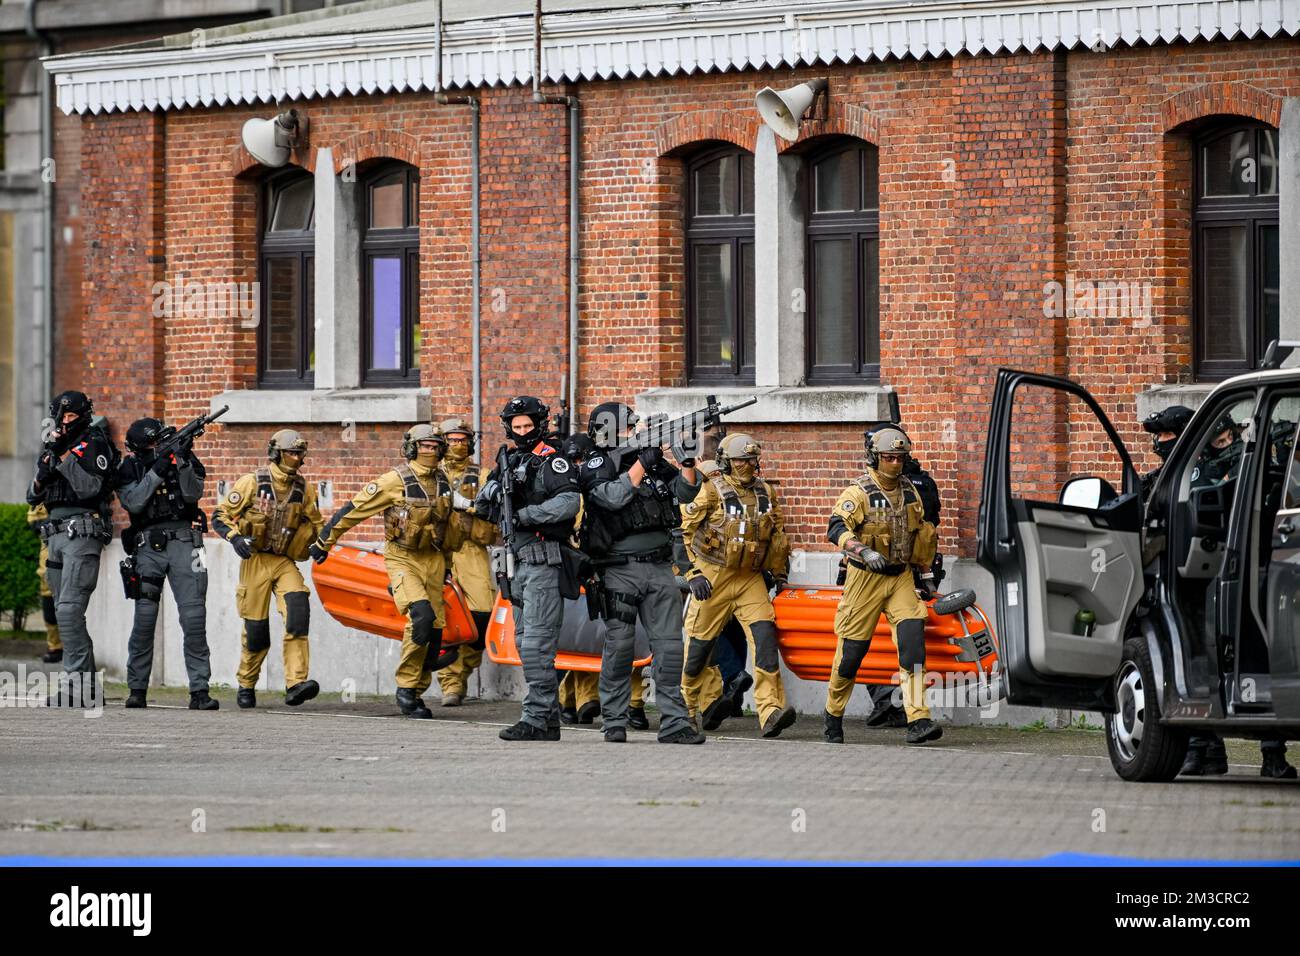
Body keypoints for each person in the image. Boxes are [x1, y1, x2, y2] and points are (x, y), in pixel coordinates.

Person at [579, 401, 704, 744]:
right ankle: (614, 719)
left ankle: (675, 722)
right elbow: (611, 497)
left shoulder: (650, 461)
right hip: (619, 570)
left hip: (660, 566)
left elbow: (686, 492)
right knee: (620, 646)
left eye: (636, 427)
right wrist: (640, 464)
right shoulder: (598, 463)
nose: (634, 433)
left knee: (669, 647)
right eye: (627, 428)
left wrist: (688, 461)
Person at [313, 424, 456, 719]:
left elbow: (448, 527)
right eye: (425, 446)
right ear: (412, 448)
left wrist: (448, 566)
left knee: (435, 632)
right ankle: (406, 688)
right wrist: (325, 541)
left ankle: (417, 689)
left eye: (434, 446)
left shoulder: (444, 481)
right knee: (421, 618)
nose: (430, 451)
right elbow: (354, 509)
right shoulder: (394, 481)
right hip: (402, 558)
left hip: (434, 560)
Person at [823, 427, 941, 745]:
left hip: (900, 577)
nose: (895, 463)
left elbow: (920, 535)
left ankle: (918, 719)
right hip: (864, 578)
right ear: (875, 457)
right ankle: (833, 714)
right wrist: (862, 550)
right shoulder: (858, 492)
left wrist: (926, 577)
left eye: (900, 457)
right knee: (851, 654)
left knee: (913, 642)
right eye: (889, 457)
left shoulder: (910, 492)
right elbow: (836, 528)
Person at [477, 396, 582, 741]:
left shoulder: (552, 461)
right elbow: (482, 504)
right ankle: (549, 720)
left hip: (543, 559)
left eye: (528, 426)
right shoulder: (507, 460)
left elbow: (569, 503)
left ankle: (535, 718)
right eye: (517, 427)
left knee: (538, 644)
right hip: (515, 562)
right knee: (524, 642)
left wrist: (525, 515)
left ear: (540, 424)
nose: (523, 432)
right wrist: (493, 491)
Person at [679, 433, 795, 737]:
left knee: (765, 640)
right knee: (699, 648)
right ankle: (688, 709)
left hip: (749, 578)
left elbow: (778, 536)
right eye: (739, 460)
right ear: (726, 462)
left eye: (750, 459)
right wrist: (693, 573)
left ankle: (770, 710)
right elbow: (682, 531)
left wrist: (779, 574)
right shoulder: (710, 490)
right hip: (712, 575)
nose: (746, 465)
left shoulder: (766, 492)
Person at [212, 429, 323, 709]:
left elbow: (317, 523)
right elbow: (220, 515)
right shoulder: (252, 482)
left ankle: (296, 683)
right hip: (256, 560)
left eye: (300, 453)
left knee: (298, 612)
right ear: (276, 453)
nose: (296, 458)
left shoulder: (304, 490)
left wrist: (323, 545)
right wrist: (235, 538)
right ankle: (247, 683)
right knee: (256, 629)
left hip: (285, 560)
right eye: (291, 453)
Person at [116, 416, 216, 710]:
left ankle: (200, 691)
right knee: (144, 620)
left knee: (194, 619)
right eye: (154, 442)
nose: (159, 445)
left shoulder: (184, 457)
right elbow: (133, 502)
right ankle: (137, 688)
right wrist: (158, 470)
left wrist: (181, 460)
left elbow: (193, 493)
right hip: (148, 547)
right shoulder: (129, 467)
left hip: (186, 542)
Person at [27, 391, 117, 706]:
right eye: (60, 418)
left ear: (79, 416)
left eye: (68, 418)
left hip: (82, 532)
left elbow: (90, 487)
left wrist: (63, 459)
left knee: (68, 611)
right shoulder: (54, 445)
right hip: (54, 537)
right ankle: (88, 689)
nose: (63, 424)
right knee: (62, 611)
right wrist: (45, 465)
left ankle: (76, 688)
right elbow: (32, 495)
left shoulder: (94, 443)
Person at [435, 416, 499, 708]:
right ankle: (451, 683)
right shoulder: (429, 474)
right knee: (442, 618)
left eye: (462, 439)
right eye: (452, 439)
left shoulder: (483, 475)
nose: (458, 445)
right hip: (437, 551)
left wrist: (471, 509)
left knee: (482, 616)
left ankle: (462, 671)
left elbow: (494, 514)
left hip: (472, 550)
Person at [25, 506, 63, 663]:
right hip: (49, 552)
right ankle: (55, 646)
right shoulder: (45, 485)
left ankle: (74, 647)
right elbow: (34, 521)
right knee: (49, 601)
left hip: (79, 548)